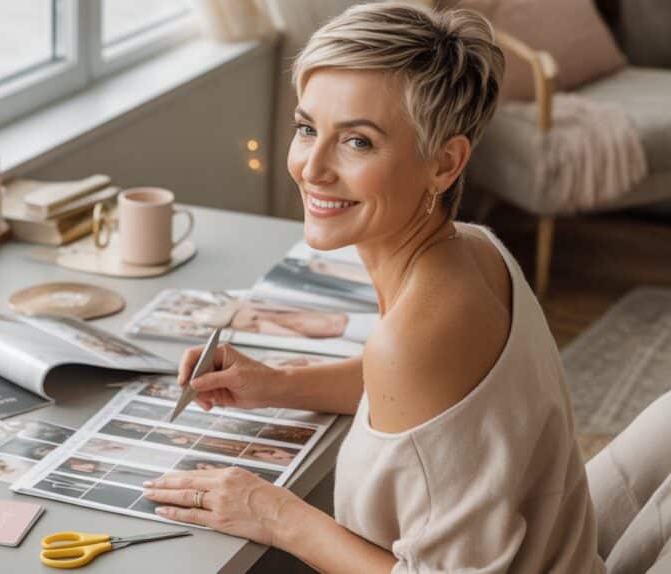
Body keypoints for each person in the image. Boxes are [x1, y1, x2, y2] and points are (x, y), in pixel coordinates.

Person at [143, 3, 605, 572]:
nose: (313, 167)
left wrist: (271, 511)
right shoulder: (476, 249)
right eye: (308, 128)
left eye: (357, 142)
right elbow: (414, 397)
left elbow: (408, 369)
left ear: (444, 163)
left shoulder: (418, 335)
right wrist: (275, 384)